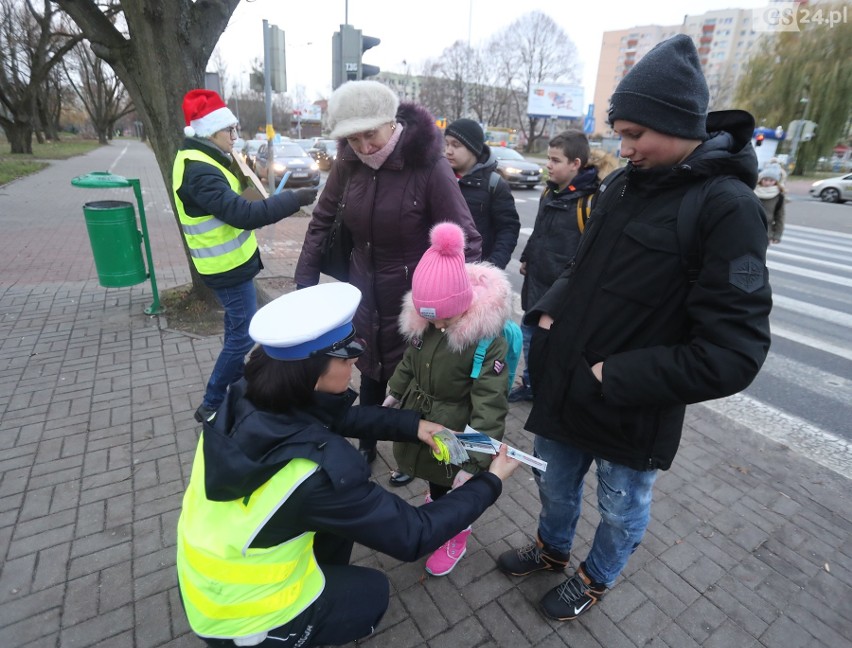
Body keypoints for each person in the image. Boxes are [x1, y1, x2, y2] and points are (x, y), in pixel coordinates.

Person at [497, 34, 772, 622]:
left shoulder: (727, 208)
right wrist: (548, 312)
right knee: (554, 486)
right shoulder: (621, 185)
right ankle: (551, 550)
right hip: (566, 383)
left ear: (677, 123)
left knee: (621, 508)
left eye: (634, 135)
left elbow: (735, 352)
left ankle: (597, 576)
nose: (622, 149)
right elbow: (582, 265)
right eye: (619, 134)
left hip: (632, 405)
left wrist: (613, 374)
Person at [175, 282, 520, 648]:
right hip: (244, 617)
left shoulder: (245, 399)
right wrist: (491, 481)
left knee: (338, 531)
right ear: (315, 374)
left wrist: (412, 425)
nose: (354, 366)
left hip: (203, 578)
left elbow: (333, 420)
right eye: (347, 360)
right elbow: (414, 533)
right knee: (372, 593)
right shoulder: (318, 475)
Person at [295, 80, 482, 468]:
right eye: (353, 139)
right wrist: (304, 291)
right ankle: (367, 443)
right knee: (368, 369)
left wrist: (452, 304)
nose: (364, 148)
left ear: (391, 123)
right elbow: (321, 221)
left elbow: (466, 239)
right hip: (364, 289)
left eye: (370, 135)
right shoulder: (349, 163)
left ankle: (412, 454)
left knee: (411, 378)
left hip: (415, 299)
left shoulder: (428, 164)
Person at [173, 89, 318, 424]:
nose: (235, 137)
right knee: (241, 337)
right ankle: (211, 404)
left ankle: (236, 391)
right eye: (231, 131)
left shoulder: (203, 158)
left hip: (229, 264)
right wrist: (294, 199)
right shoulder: (200, 170)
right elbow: (244, 215)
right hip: (225, 268)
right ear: (211, 131)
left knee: (237, 330)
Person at [384, 222, 514, 576]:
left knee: (453, 482)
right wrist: (395, 391)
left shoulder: (487, 340)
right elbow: (410, 359)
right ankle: (437, 503)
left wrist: (473, 464)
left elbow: (489, 406)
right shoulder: (427, 322)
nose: (438, 326)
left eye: (445, 319)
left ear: (462, 302)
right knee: (435, 477)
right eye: (430, 319)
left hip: (458, 429)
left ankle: (456, 531)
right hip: (424, 418)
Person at [508, 130, 601, 403]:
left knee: (553, 345)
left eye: (555, 160)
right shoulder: (549, 191)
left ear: (576, 164)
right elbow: (538, 230)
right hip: (535, 282)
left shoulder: (590, 201)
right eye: (548, 158)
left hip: (561, 293)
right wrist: (526, 257)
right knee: (528, 338)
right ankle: (531, 385)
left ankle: (547, 390)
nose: (548, 165)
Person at [444, 118, 520, 269]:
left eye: (456, 145)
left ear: (473, 148)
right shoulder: (439, 178)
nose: (448, 150)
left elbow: (507, 229)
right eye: (446, 144)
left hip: (476, 273)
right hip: (441, 268)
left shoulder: (494, 184)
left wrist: (492, 267)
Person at [756, 166, 786, 244]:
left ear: (776, 182)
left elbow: (780, 217)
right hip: (747, 229)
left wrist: (777, 235)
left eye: (771, 180)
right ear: (760, 180)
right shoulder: (753, 191)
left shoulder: (779, 196)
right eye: (765, 180)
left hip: (766, 232)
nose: (767, 183)